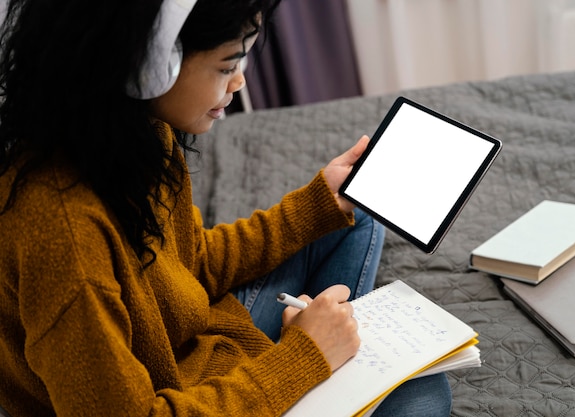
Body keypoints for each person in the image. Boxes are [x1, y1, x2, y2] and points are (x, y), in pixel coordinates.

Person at [0, 0, 452, 416]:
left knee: (353, 211)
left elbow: (191, 264)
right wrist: (302, 358)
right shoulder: (63, 235)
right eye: (227, 64)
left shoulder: (137, 134)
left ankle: (330, 357)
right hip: (175, 393)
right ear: (148, 67)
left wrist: (318, 204)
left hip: (197, 348)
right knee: (423, 394)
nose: (240, 81)